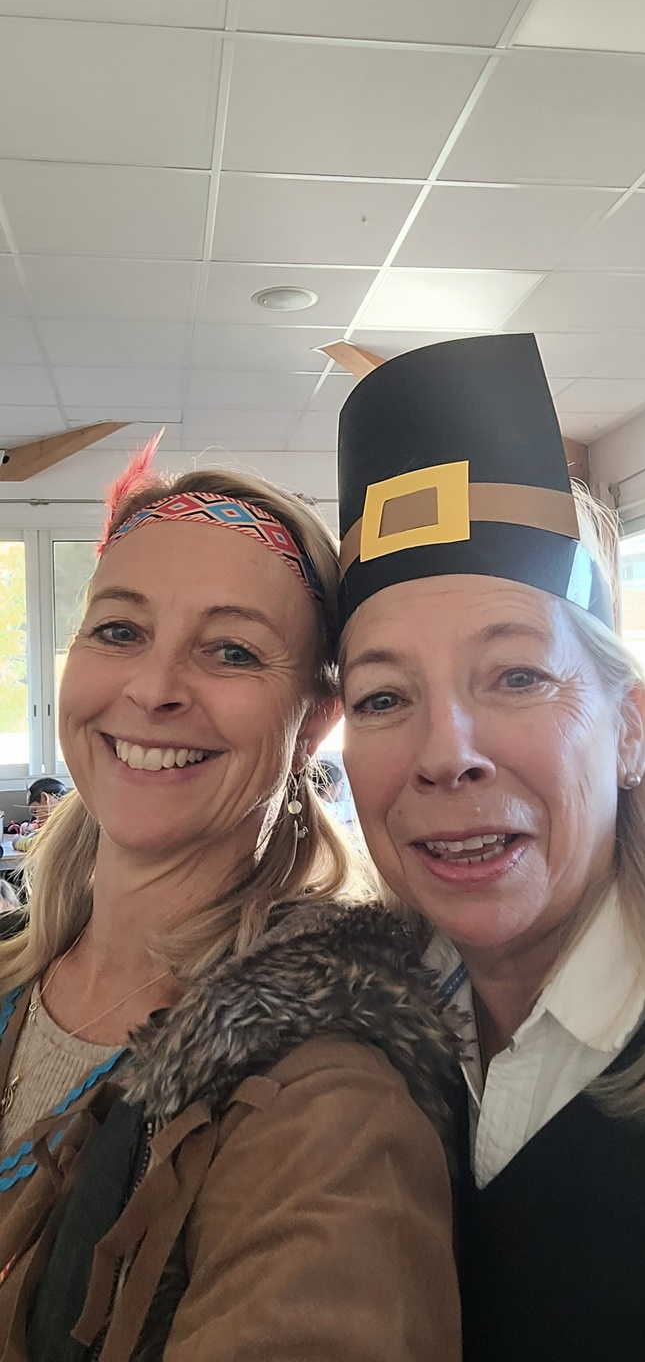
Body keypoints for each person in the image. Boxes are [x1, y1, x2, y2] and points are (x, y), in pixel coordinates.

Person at [0, 456, 460, 1361]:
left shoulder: (328, 1097)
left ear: (314, 721)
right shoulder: (16, 972)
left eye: (232, 651)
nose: (153, 687)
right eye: (120, 630)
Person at [336, 334, 645, 1362]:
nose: (445, 755)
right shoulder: (338, 1033)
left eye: (516, 677)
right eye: (383, 697)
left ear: (628, 729)